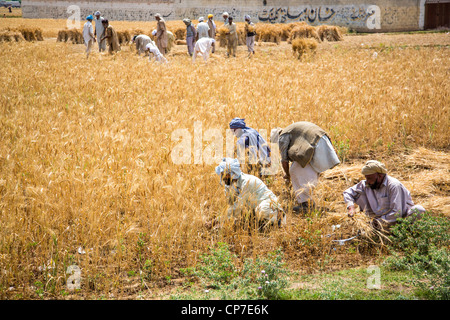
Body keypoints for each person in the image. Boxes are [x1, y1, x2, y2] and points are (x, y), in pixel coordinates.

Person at [271, 122, 340, 213]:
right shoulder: (290, 131)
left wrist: (287, 175)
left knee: (294, 170)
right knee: (302, 169)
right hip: (322, 140)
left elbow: (284, 161)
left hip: (316, 143)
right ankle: (308, 202)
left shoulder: (282, 137)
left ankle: (305, 204)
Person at [343, 160, 426, 228]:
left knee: (419, 210)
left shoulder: (394, 186)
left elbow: (396, 213)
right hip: (378, 222)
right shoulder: (367, 184)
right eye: (366, 178)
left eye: (370, 178)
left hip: (399, 221)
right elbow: (347, 193)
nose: (367, 181)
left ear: (380, 176)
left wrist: (377, 222)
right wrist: (351, 207)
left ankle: (405, 234)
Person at [215, 158, 286, 229]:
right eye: (222, 174)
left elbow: (239, 206)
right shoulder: (230, 184)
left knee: (261, 210)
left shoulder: (247, 182)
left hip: (268, 204)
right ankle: (260, 223)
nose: (223, 177)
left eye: (225, 174)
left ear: (233, 173)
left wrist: (218, 220)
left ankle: (278, 221)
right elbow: (230, 204)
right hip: (254, 207)